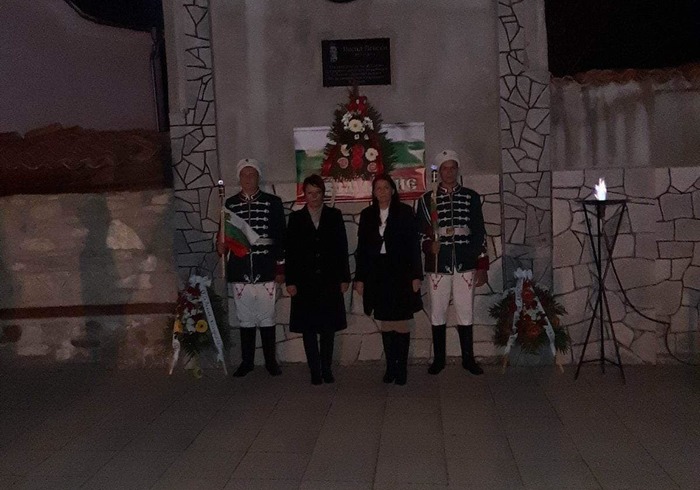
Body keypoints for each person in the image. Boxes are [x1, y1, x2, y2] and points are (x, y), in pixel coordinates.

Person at [416, 150, 489, 376]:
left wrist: (481, 265)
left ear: (457, 170)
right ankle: (439, 359)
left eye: (452, 168)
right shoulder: (426, 200)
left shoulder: (471, 197)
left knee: (465, 311)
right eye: (445, 168)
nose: (449, 172)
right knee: (437, 312)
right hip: (439, 263)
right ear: (439, 172)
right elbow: (420, 232)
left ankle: (468, 359)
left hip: (465, 261)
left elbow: (479, 232)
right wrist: (429, 245)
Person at [217, 158, 286, 377]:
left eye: (252, 174)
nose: (248, 179)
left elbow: (280, 237)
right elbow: (224, 235)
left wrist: (280, 268)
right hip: (241, 268)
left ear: (258, 177)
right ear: (239, 178)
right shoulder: (229, 204)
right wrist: (221, 245)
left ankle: (270, 361)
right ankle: (247, 362)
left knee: (267, 316)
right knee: (245, 317)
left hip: (265, 267)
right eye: (244, 175)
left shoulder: (273, 202)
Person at [354, 174, 423, 385]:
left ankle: (401, 368)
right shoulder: (367, 215)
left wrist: (416, 275)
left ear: (393, 190)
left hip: (401, 273)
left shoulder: (405, 212)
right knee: (385, 320)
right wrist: (360, 278)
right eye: (378, 188)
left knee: (400, 321)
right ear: (374, 192)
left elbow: (413, 246)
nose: (382, 191)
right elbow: (362, 249)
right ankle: (390, 367)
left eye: (386, 187)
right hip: (378, 273)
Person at [286, 175, 351, 385]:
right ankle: (315, 370)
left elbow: (342, 248)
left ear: (323, 194)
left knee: (327, 328)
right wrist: (290, 281)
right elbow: (291, 252)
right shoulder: (296, 218)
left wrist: (344, 277)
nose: (314, 197)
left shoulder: (334, 215)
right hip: (304, 282)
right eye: (310, 193)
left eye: (318, 193)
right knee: (309, 329)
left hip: (329, 280)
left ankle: (326, 368)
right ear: (304, 195)